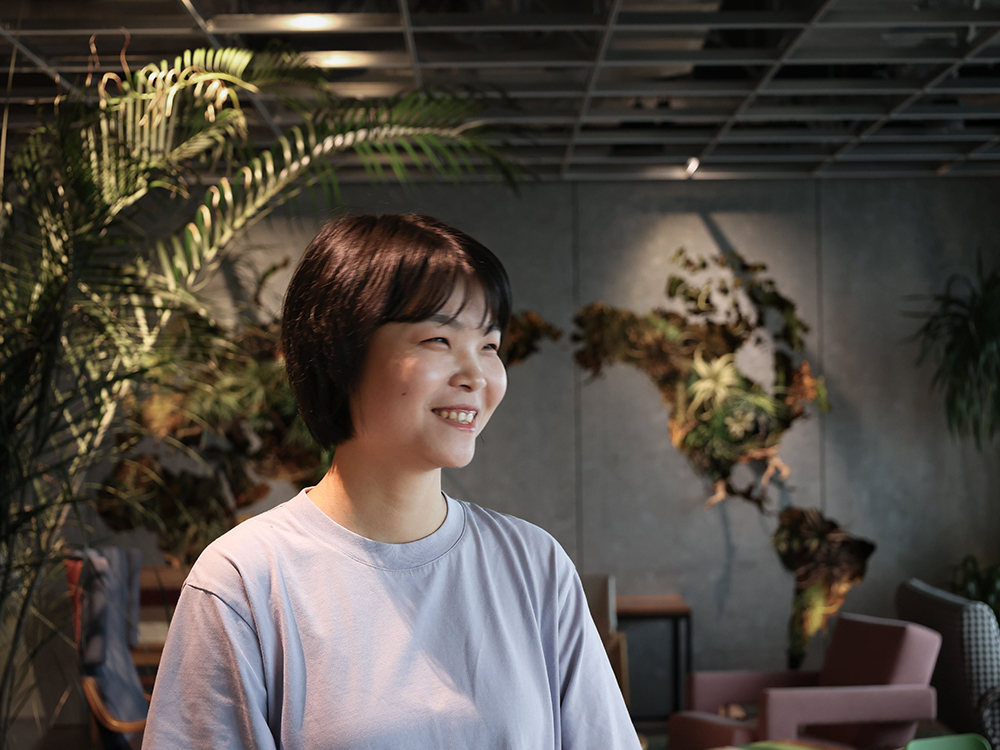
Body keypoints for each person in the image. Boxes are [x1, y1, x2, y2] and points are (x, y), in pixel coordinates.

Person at [142, 213, 641, 749]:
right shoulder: (244, 579)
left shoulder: (535, 566)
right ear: (339, 354)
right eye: (438, 339)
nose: (476, 375)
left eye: (490, 345)